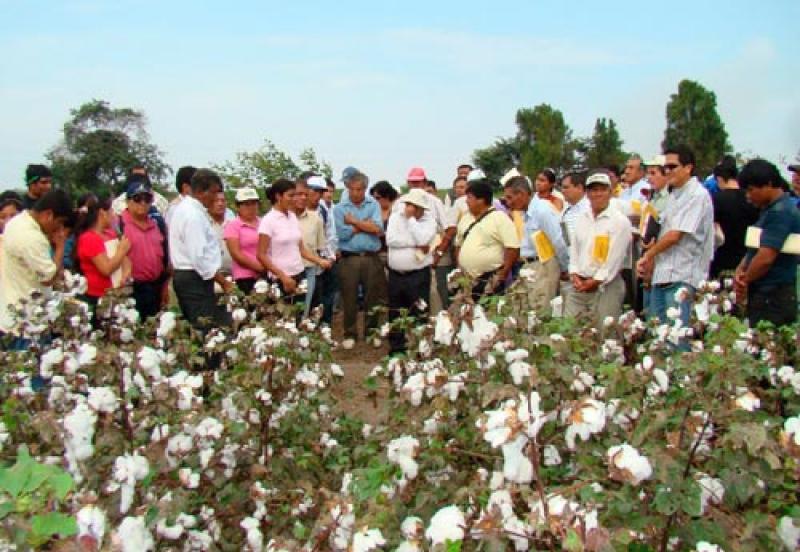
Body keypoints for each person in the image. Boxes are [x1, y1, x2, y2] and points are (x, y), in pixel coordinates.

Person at [636, 145, 714, 329]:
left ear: (688, 167)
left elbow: (674, 236)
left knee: (678, 337)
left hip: (683, 274)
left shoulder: (697, 194)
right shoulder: (674, 194)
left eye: (673, 167)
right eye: (666, 168)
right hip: (662, 274)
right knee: (658, 337)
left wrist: (648, 255)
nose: (668, 171)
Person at [0, 190, 74, 342]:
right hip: (27, 324)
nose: (58, 229)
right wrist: (60, 246)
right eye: (59, 223)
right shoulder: (32, 237)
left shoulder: (17, 222)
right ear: (48, 215)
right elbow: (48, 278)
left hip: (13, 316)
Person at [734, 160, 800, 327]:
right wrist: (741, 268)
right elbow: (755, 248)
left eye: (751, 190)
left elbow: (766, 257)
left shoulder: (781, 212)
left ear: (768, 184)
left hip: (774, 296)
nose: (748, 197)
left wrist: (745, 280)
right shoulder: (768, 210)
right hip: (763, 294)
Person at [169, 168, 232, 331]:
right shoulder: (192, 215)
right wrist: (222, 281)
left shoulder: (189, 210)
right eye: (214, 192)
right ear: (201, 192)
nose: (216, 197)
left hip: (194, 277)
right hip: (193, 278)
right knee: (205, 328)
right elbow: (199, 257)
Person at [565, 172, 632, 325]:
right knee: (570, 330)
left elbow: (613, 259)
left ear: (610, 192)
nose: (598, 194)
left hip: (606, 286)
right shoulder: (583, 218)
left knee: (605, 333)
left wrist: (595, 280)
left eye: (602, 190)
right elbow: (575, 249)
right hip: (580, 284)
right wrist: (574, 273)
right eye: (593, 190)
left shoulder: (619, 222)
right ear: (587, 193)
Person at [334, 171, 386, 349]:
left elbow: (378, 229)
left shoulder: (373, 204)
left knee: (373, 296)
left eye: (360, 189)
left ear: (365, 189)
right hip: (350, 259)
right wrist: (364, 225)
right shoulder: (339, 208)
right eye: (352, 189)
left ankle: (372, 332)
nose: (356, 193)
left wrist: (353, 221)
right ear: (347, 188)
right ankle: (350, 333)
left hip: (371, 257)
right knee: (349, 297)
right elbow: (342, 233)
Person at [258, 179, 331, 306]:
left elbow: (301, 249)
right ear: (278, 196)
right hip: (280, 278)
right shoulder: (268, 221)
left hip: (298, 274)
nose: (293, 199)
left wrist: (319, 261)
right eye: (290, 196)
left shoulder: (291, 217)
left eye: (295, 195)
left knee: (299, 314)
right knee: (283, 318)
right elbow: (261, 254)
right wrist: (283, 277)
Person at [504, 177, 568, 312]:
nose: (508, 203)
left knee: (539, 309)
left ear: (521, 194)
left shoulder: (542, 210)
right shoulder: (527, 213)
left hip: (543, 265)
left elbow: (557, 241)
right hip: (529, 265)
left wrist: (564, 268)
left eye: (510, 198)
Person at [385, 189, 437, 354]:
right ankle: (397, 347)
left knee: (420, 311)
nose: (411, 209)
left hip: (418, 274)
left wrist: (411, 221)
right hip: (396, 274)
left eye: (415, 207)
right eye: (409, 206)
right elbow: (391, 240)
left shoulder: (430, 221)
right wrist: (413, 243)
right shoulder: (395, 217)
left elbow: (423, 239)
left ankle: (421, 347)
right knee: (395, 311)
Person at [401, 167, 457, 312]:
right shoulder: (402, 202)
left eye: (418, 183)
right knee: (412, 289)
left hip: (432, 249)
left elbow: (447, 228)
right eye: (412, 183)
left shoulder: (435, 202)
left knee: (434, 289)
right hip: (410, 251)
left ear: (425, 183)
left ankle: (436, 320)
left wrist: (438, 252)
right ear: (408, 183)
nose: (415, 186)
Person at [455, 179, 520, 300]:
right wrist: (460, 268)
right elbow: (459, 245)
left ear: (481, 200)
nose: (466, 201)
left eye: (469, 197)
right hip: (467, 280)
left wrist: (503, 273)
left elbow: (513, 248)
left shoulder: (499, 218)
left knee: (488, 313)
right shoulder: (465, 218)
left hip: (490, 279)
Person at [118, 179, 170, 319]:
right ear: (128, 201)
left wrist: (165, 285)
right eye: (137, 198)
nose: (143, 203)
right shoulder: (120, 225)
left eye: (147, 199)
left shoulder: (157, 224)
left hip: (155, 287)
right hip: (132, 289)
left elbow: (164, 257)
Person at [74, 196, 132, 320]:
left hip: (117, 295)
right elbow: (106, 269)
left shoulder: (110, 234)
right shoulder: (88, 238)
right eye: (111, 211)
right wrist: (121, 250)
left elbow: (126, 261)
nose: (113, 215)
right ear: (102, 213)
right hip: (99, 298)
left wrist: (125, 275)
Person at [710, 156, 759, 278]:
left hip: (723, 261)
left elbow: (715, 233)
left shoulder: (716, 199)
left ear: (720, 178)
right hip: (747, 260)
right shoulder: (752, 199)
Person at [293, 182, 329, 316]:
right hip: (287, 271)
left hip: (309, 269)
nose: (303, 198)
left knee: (305, 310)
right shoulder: (282, 219)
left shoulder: (316, 219)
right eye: (298, 194)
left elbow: (321, 247)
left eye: (305, 195)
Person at [307, 176, 338, 325]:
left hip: (324, 259)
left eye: (321, 192)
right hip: (307, 261)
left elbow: (330, 234)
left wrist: (331, 256)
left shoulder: (324, 210)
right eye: (315, 191)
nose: (318, 195)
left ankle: (325, 325)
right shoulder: (298, 211)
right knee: (312, 297)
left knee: (328, 295)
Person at [223, 187, 263, 294]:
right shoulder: (233, 226)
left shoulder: (263, 223)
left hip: (265, 274)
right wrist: (259, 268)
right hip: (245, 276)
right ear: (238, 206)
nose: (251, 208)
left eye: (254, 204)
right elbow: (236, 254)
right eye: (246, 204)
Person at [371, 180, 399, 265]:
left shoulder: (397, 210)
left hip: (394, 254)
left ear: (387, 196)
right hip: (376, 254)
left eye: (378, 198)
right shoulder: (373, 212)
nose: (375, 201)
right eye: (374, 198)